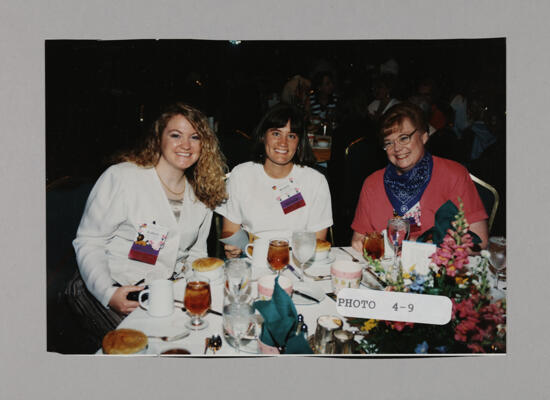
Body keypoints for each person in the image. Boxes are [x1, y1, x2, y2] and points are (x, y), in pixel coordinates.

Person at [72, 102, 227, 327]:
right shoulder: (122, 178)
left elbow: (196, 253)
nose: (186, 145)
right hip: (109, 287)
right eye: (176, 135)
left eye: (195, 137)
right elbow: (89, 241)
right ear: (158, 138)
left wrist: (193, 290)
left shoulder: (202, 195)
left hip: (162, 293)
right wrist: (108, 293)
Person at [351, 102, 488, 252]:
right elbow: (358, 240)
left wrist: (423, 248)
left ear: (424, 137)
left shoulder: (453, 175)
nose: (397, 148)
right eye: (389, 143)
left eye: (404, 138)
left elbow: (479, 240)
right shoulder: (372, 184)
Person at [218, 103, 333, 258]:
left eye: (291, 136)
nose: (283, 143)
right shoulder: (241, 175)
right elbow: (230, 230)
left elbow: (318, 241)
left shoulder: (315, 181)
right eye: (276, 134)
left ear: (299, 143)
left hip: (298, 259)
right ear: (263, 136)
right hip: (252, 257)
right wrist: (233, 248)